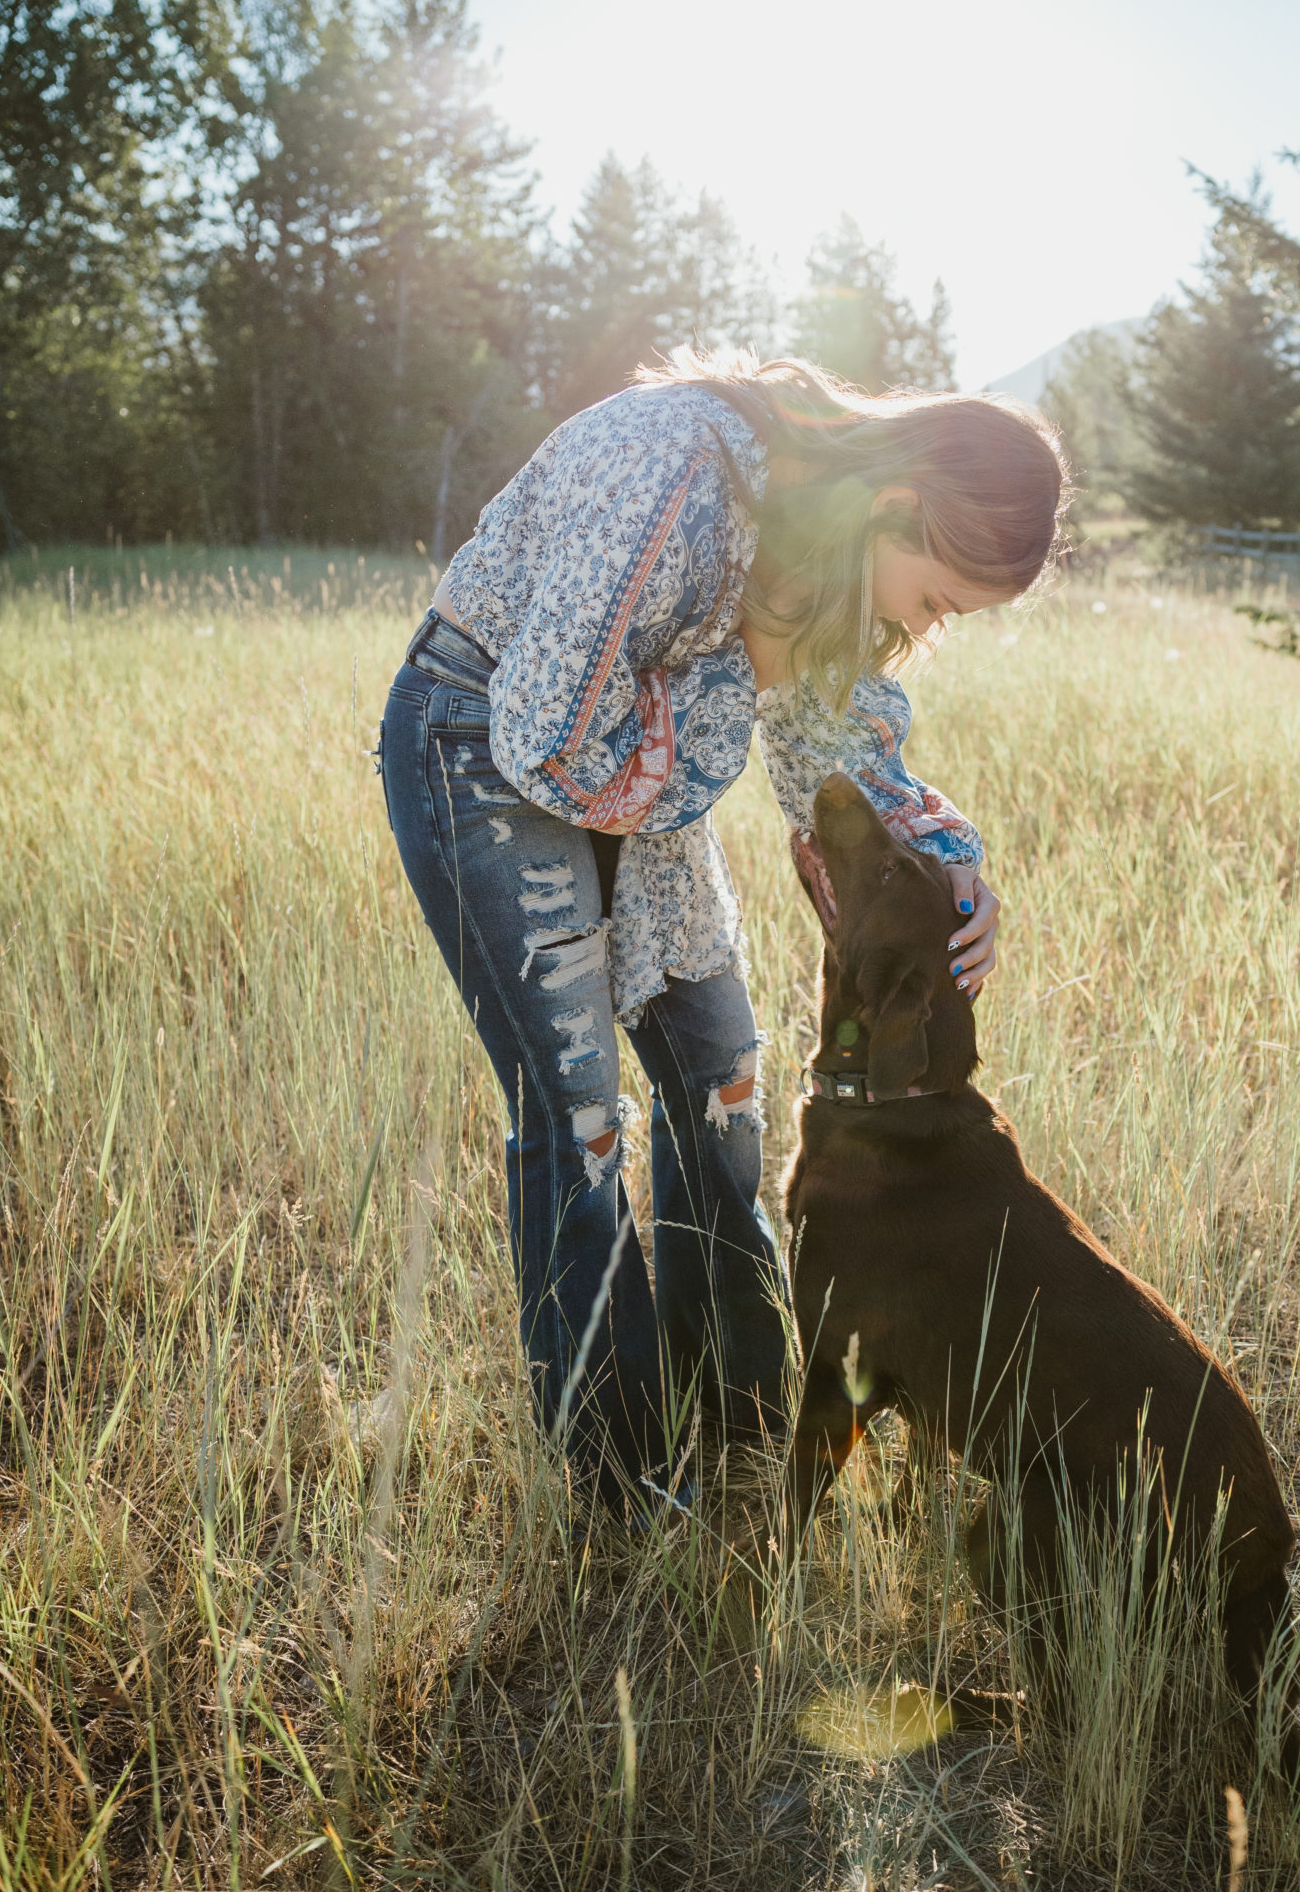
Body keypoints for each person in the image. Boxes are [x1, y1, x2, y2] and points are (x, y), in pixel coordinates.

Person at [379, 352, 1067, 1511]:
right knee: (582, 1119)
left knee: (721, 1077)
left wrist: (950, 871)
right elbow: (548, 732)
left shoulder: (824, 539)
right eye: (937, 598)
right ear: (900, 504)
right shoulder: (675, 474)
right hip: (482, 740)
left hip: (631, 764)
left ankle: (740, 1425)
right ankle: (622, 1479)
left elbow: (826, 743)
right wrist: (734, 686)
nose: (922, 625)